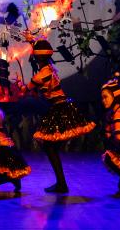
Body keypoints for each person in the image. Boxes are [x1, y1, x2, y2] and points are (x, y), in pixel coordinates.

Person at [22, 34, 96, 193]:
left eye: (34, 54)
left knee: (50, 148)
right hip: (62, 107)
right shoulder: (50, 68)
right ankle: (61, 183)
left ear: (37, 57)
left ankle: (62, 184)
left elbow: (25, 90)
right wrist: (32, 41)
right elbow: (41, 53)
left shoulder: (40, 76)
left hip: (58, 109)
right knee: (50, 148)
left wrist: (20, 85)